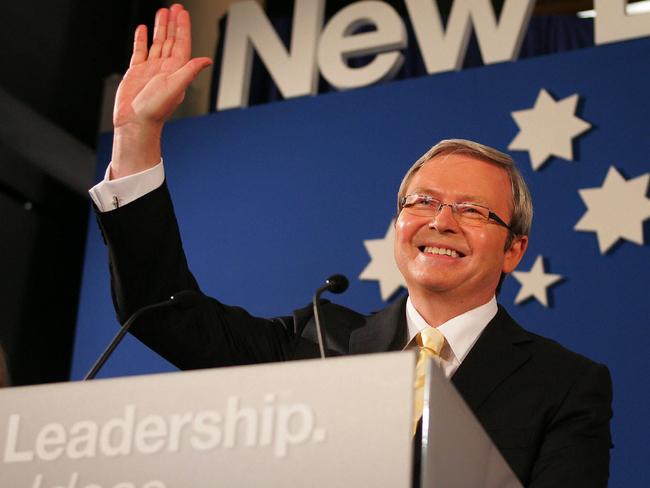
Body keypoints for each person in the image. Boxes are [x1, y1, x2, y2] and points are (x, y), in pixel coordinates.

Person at [89, 4, 612, 486]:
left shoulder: (565, 384)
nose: (441, 222)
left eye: (472, 210)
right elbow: (162, 312)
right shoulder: (315, 339)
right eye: (422, 202)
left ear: (514, 250)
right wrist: (137, 135)